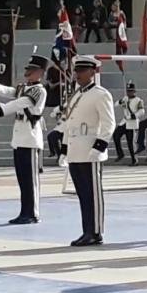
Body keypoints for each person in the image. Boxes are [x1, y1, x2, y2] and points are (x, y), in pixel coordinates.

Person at [0, 55, 49, 224]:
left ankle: (33, 213)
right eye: (27, 70)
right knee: (23, 180)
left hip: (31, 140)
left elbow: (20, 103)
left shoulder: (38, 90)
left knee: (30, 181)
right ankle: (24, 211)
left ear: (40, 73)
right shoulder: (24, 87)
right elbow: (10, 91)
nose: (28, 73)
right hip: (19, 139)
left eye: (31, 70)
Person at [59, 56, 115, 246]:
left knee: (93, 194)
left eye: (83, 70)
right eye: (77, 71)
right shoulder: (76, 95)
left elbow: (109, 124)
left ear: (93, 72)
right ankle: (87, 230)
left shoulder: (100, 94)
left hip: (90, 149)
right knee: (83, 194)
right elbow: (69, 123)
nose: (78, 74)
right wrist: (65, 149)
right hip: (76, 149)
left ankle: (96, 231)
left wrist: (99, 147)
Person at [113, 83, 145, 166]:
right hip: (124, 122)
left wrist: (133, 115)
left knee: (130, 142)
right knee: (116, 135)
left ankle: (134, 160)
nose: (130, 93)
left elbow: (142, 111)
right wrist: (121, 101)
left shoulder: (138, 100)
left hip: (132, 123)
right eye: (128, 91)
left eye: (131, 91)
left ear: (134, 91)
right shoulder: (125, 98)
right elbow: (115, 104)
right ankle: (120, 154)